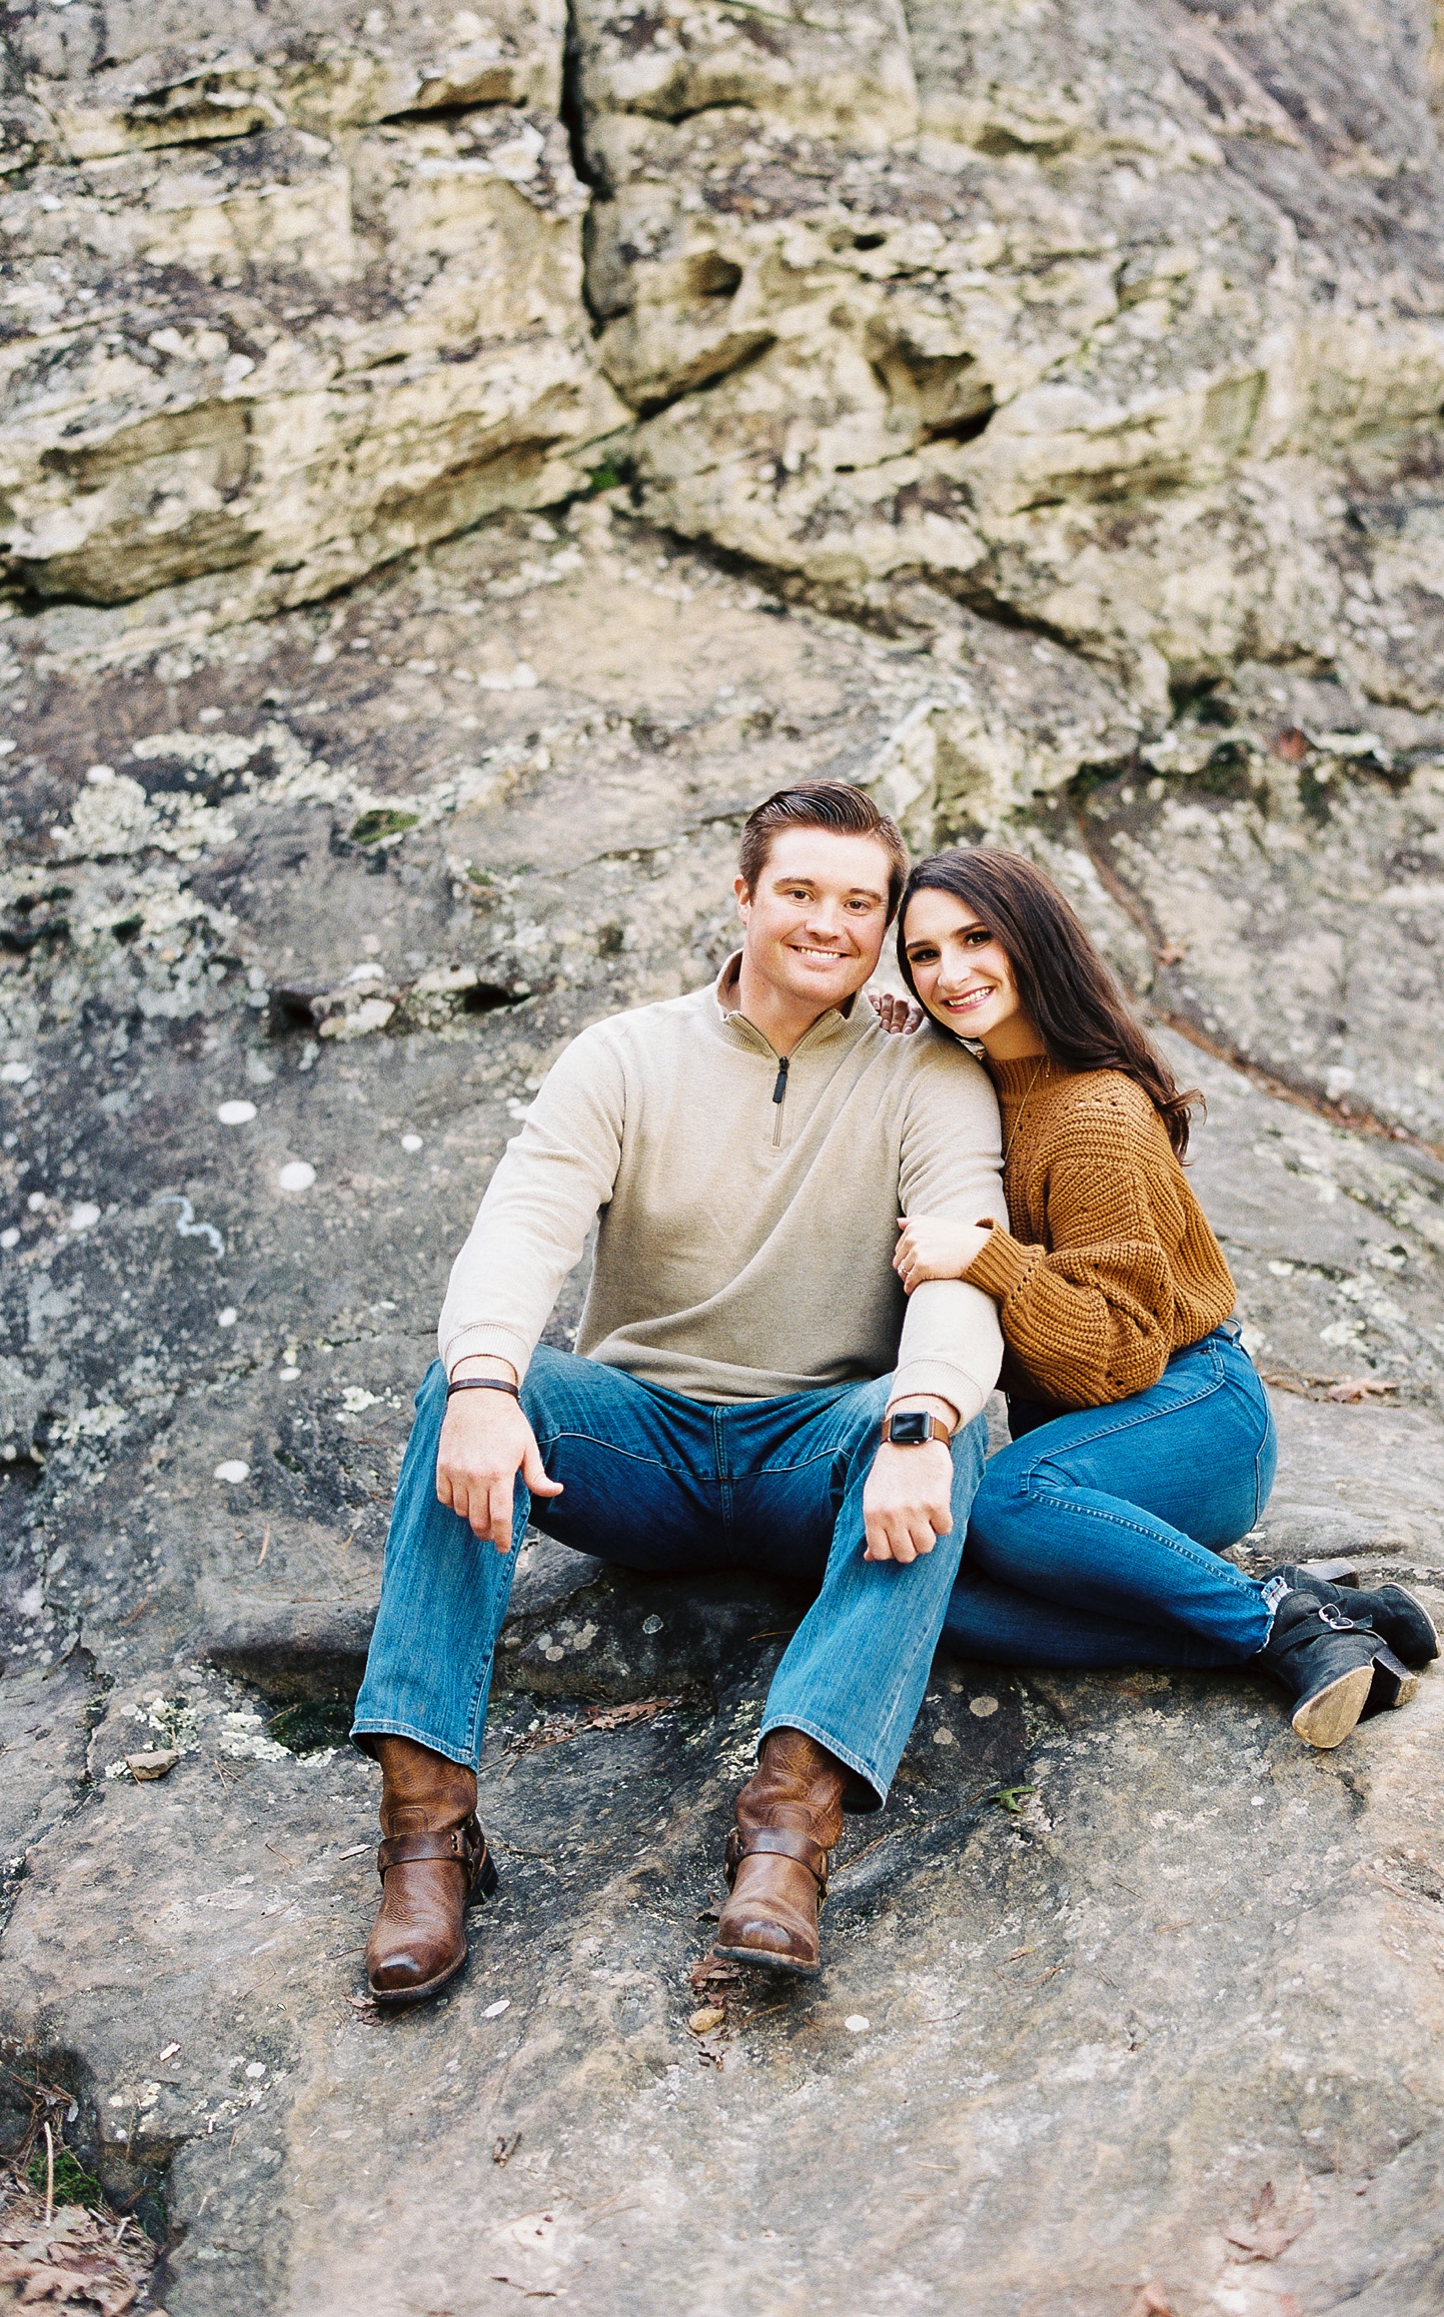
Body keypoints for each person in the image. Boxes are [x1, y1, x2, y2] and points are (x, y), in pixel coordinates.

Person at [350, 782, 1006, 2002]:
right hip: (636, 1451)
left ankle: (786, 1841)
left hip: (820, 1450)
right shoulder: (625, 1056)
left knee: (939, 1423)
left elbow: (963, 1267)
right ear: (744, 895)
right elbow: (520, 1229)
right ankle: (426, 1836)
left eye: (861, 902)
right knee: (467, 1390)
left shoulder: (931, 1078)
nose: (828, 922)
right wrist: (488, 1379)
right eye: (800, 892)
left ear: (886, 922)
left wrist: (926, 1422)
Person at [884, 847, 1438, 1745]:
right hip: (1105, 1446)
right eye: (923, 954)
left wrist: (988, 1259)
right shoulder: (972, 1082)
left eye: (977, 938)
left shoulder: (1095, 1113)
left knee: (1009, 1500)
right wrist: (889, 1038)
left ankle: (1283, 1627)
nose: (951, 972)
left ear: (1032, 938)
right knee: (948, 1603)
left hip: (1194, 1411)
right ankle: (1298, 1620)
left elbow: (1118, 1352)